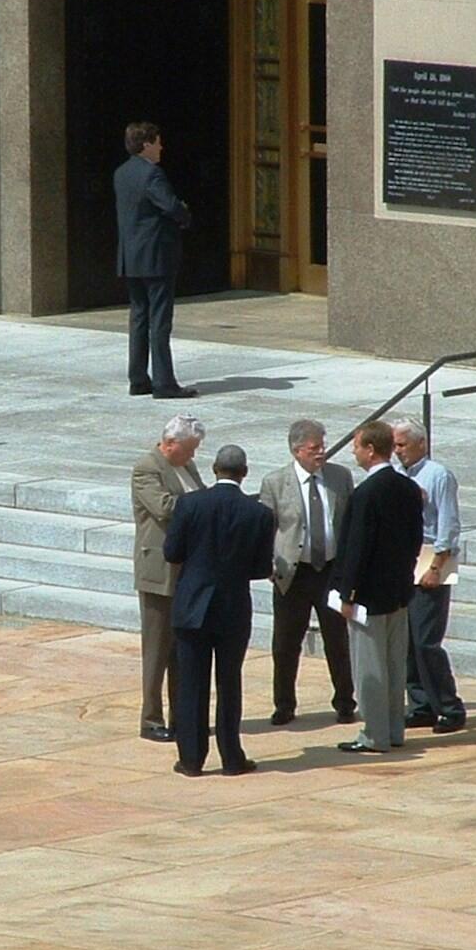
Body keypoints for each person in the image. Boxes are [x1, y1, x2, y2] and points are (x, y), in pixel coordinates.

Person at [164, 444, 275, 776]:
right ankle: (231, 757)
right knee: (229, 683)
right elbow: (260, 568)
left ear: (214, 469)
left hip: (192, 606)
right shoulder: (259, 513)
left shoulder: (190, 504)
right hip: (232, 608)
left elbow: (172, 552)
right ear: (244, 473)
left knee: (191, 684)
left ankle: (191, 759)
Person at [257, 419, 357, 726]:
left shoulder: (340, 477)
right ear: (297, 450)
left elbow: (349, 523)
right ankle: (284, 704)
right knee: (286, 643)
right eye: (314, 448)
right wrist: (269, 566)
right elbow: (265, 529)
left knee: (337, 640)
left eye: (323, 446)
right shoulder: (275, 482)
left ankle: (344, 702)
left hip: (330, 570)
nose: (321, 453)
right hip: (293, 573)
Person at [331, 421, 423, 754]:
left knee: (370, 668)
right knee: (394, 664)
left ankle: (374, 734)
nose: (354, 453)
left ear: (371, 450)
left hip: (368, 597)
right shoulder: (407, 487)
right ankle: (394, 729)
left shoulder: (366, 493)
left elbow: (357, 548)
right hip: (398, 592)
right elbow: (415, 540)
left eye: (357, 447)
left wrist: (347, 594)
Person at [130, 414, 206, 741]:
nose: (192, 456)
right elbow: (165, 508)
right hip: (159, 571)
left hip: (188, 569)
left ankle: (181, 715)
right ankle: (151, 718)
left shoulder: (185, 466)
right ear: (170, 443)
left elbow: (198, 496)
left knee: (181, 649)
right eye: (188, 449)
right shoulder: (147, 468)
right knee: (157, 649)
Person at [393, 417, 467, 734]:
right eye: (395, 445)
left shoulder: (438, 476)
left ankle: (449, 706)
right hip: (405, 560)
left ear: (421, 444)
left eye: (402, 445)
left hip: (431, 558)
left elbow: (448, 526)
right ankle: (420, 703)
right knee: (407, 640)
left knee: (426, 640)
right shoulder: (398, 475)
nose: (398, 452)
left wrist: (436, 566)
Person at [115, 121, 196, 399]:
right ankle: (164, 382)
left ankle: (138, 378)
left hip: (131, 257)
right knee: (160, 321)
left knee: (139, 317)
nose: (161, 147)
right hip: (156, 257)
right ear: (146, 144)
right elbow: (170, 206)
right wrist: (184, 213)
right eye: (157, 142)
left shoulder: (121, 173)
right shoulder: (152, 175)